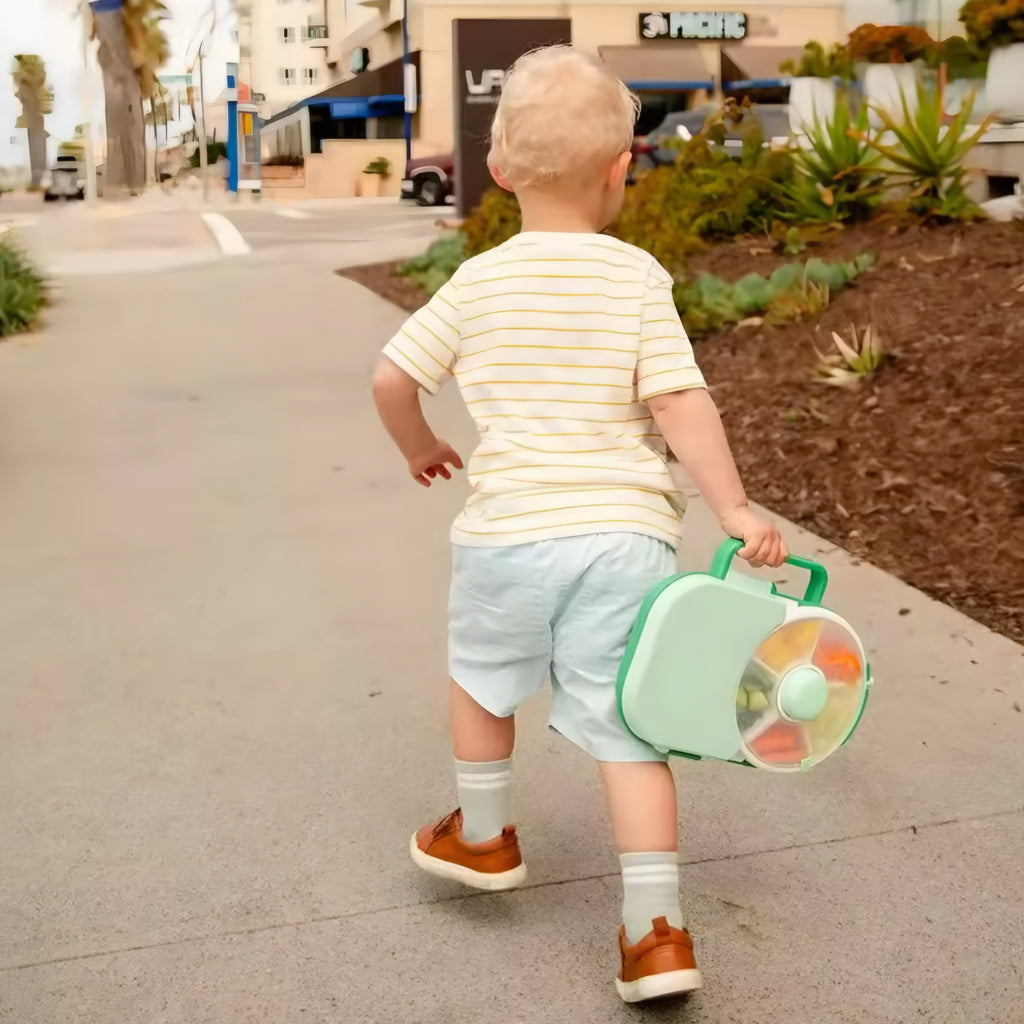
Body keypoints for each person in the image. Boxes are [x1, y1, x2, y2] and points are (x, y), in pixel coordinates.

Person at [371, 45, 787, 1004]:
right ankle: (656, 934)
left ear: (503, 172)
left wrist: (418, 446)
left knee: (481, 680)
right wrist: (731, 504)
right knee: (628, 726)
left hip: (509, 536)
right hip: (623, 541)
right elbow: (681, 402)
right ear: (622, 168)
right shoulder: (635, 279)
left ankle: (483, 837)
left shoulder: (477, 283)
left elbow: (392, 377)